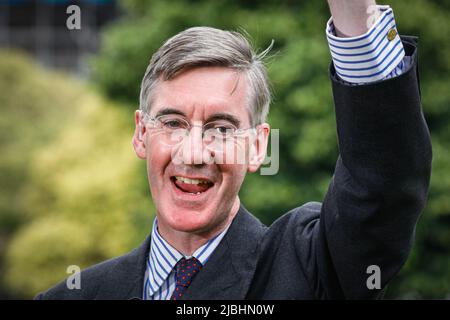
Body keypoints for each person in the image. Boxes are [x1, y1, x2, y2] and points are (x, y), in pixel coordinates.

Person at [36, 0, 432, 300]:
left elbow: (382, 185)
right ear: (141, 134)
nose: (193, 153)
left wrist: (354, 17)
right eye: (172, 123)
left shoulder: (311, 269)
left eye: (220, 129)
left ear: (258, 146)